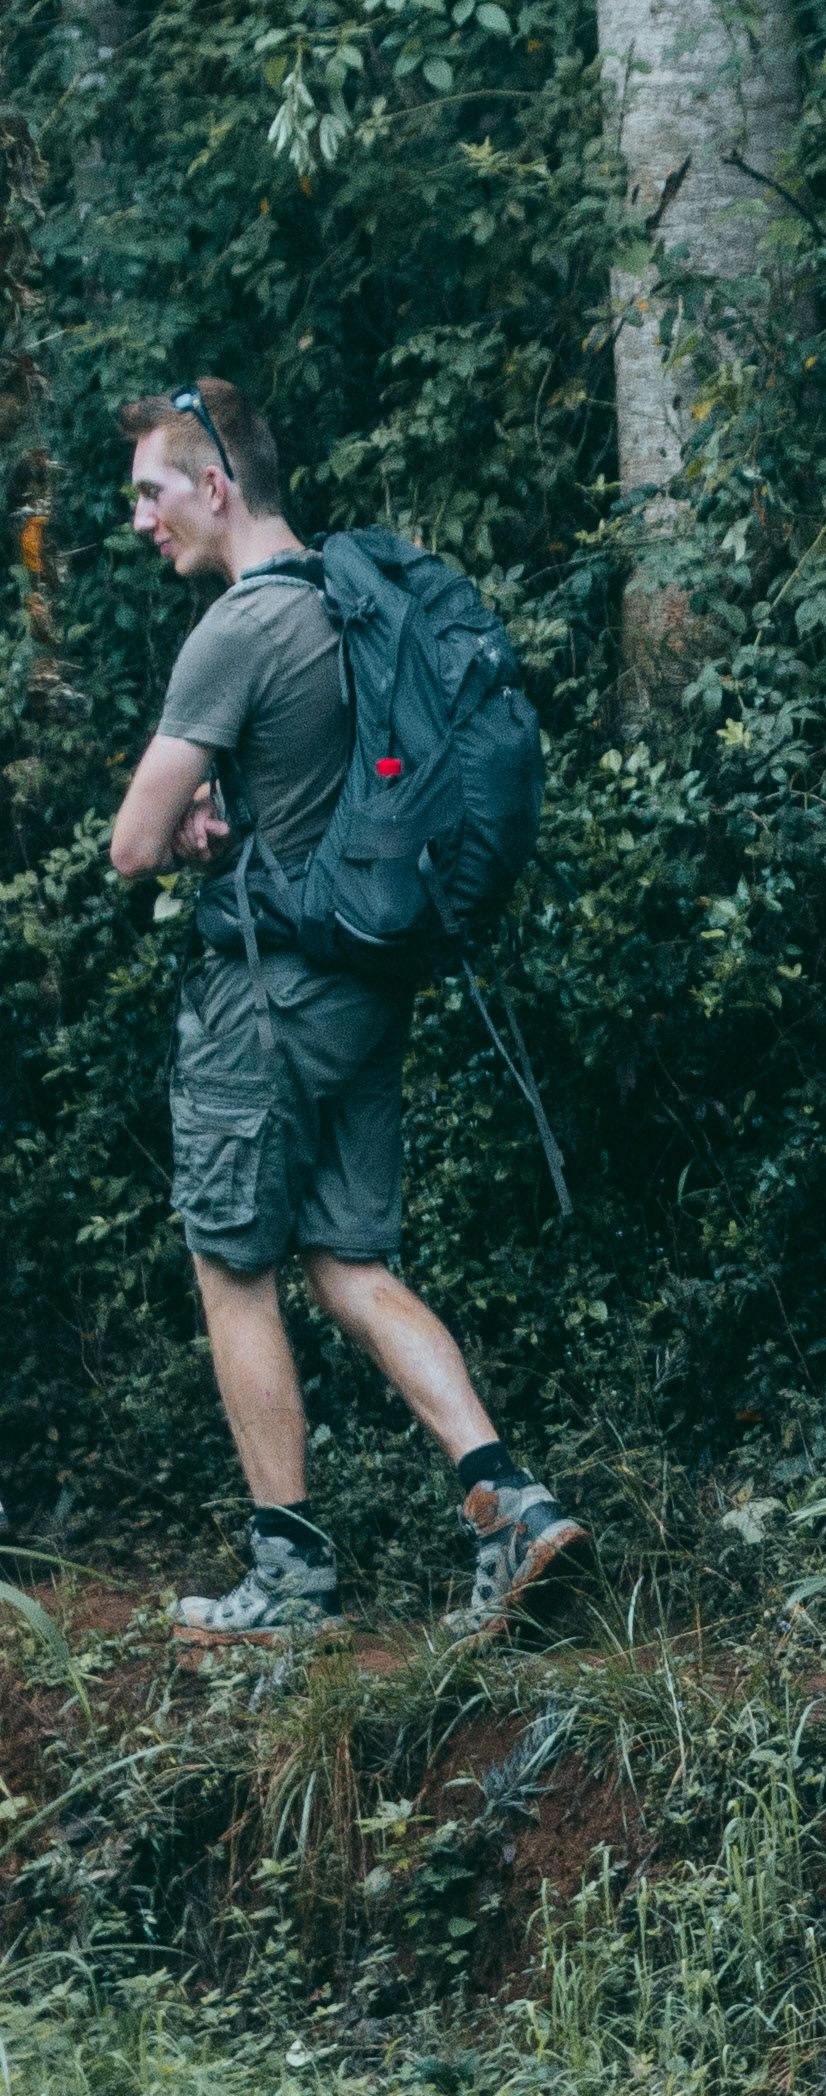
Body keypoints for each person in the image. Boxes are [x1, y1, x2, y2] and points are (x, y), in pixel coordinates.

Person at [105, 376, 584, 1645]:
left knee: (231, 1263)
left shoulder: (238, 627)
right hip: (370, 984)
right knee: (347, 1260)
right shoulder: (347, 598)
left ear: (216, 483)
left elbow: (134, 843)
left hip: (269, 1002)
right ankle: (514, 1506)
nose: (139, 518)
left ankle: (289, 1576)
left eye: (151, 491)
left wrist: (196, 828)